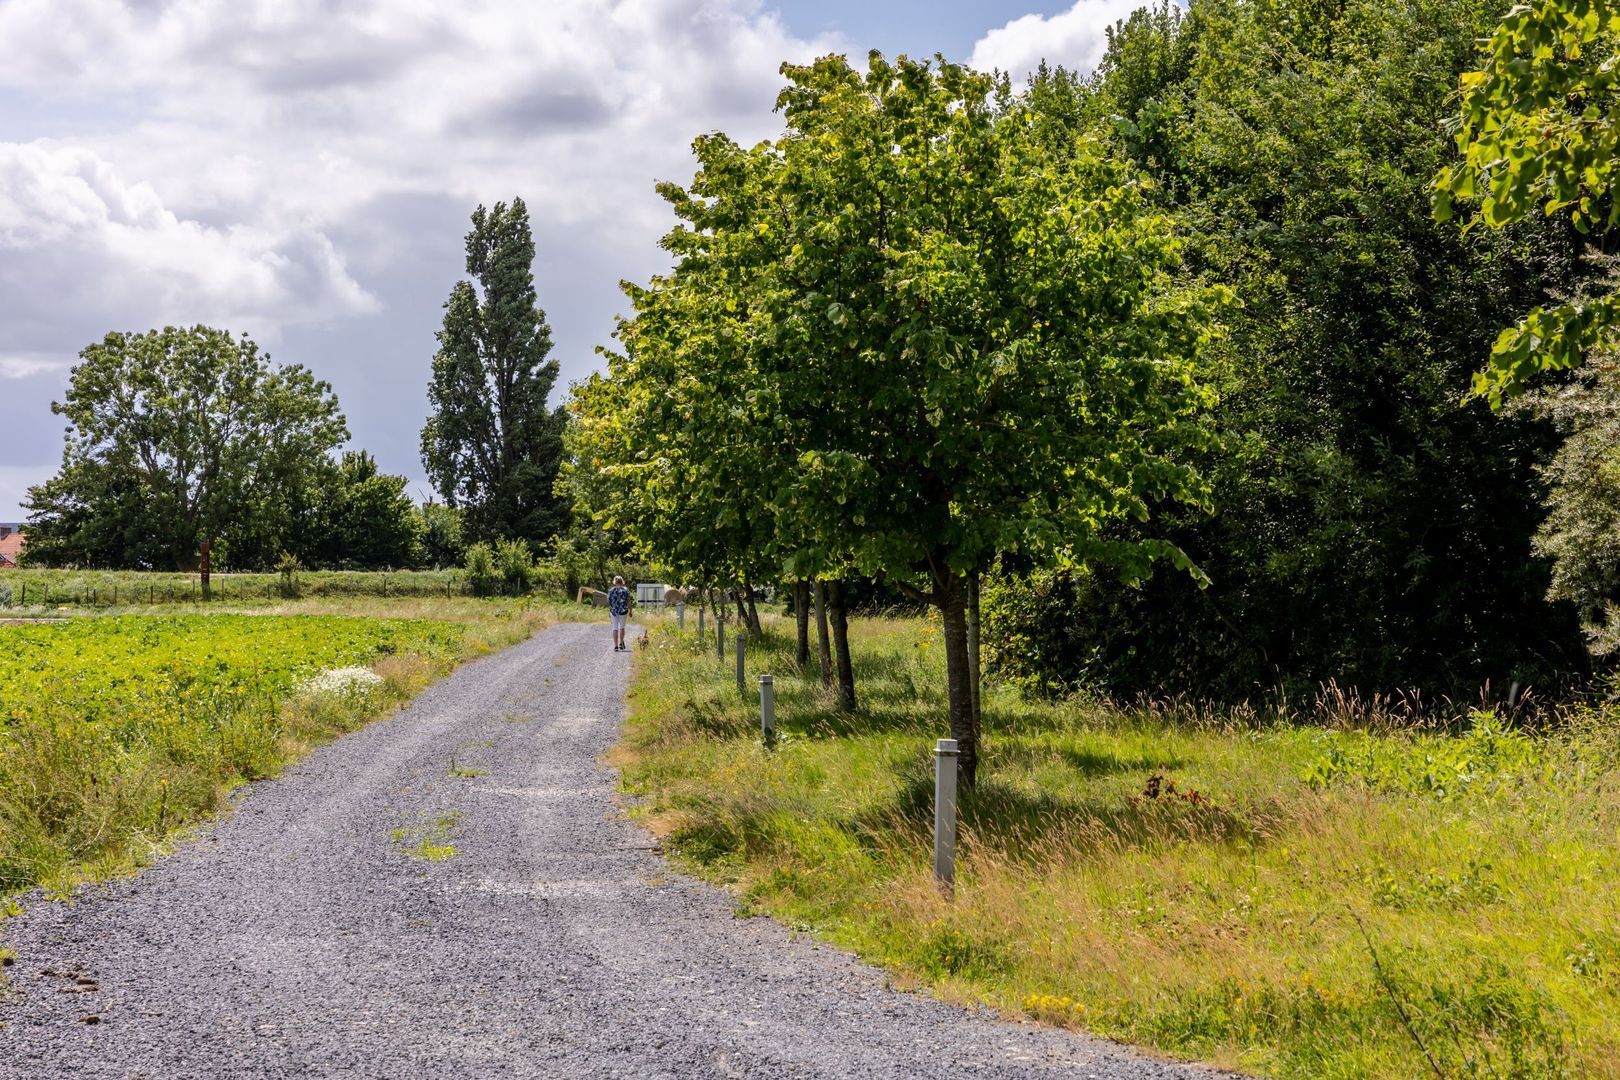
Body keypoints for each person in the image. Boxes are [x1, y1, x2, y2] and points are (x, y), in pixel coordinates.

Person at [607, 576, 632, 652]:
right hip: (623, 611)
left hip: (614, 612)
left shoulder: (611, 590)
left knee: (615, 628)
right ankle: (621, 643)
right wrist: (631, 611)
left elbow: (609, 602)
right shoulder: (625, 590)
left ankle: (616, 646)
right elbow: (629, 602)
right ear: (622, 582)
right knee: (622, 627)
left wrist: (611, 609)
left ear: (614, 582)